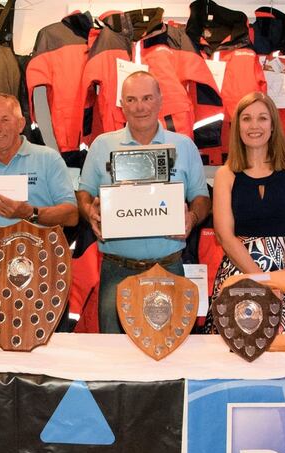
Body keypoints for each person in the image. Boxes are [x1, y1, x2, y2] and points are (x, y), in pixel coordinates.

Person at [76, 71, 210, 334]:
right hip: (116, 269)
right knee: (115, 351)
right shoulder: (102, 145)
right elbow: (83, 194)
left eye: (147, 98)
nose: (140, 107)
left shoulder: (184, 146)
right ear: (122, 105)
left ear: (160, 100)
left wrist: (192, 218)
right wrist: (89, 211)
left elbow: (202, 198)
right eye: (132, 99)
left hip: (169, 267)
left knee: (170, 349)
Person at [206, 91, 285, 333]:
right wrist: (262, 281)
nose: (254, 125)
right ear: (237, 127)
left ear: (273, 125)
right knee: (236, 347)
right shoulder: (225, 174)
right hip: (240, 272)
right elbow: (224, 235)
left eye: (262, 118)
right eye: (246, 119)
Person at [0, 92, 78, 233]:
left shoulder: (48, 159)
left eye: (5, 120)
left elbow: (72, 216)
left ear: (21, 124)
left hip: (39, 247)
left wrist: (30, 213)